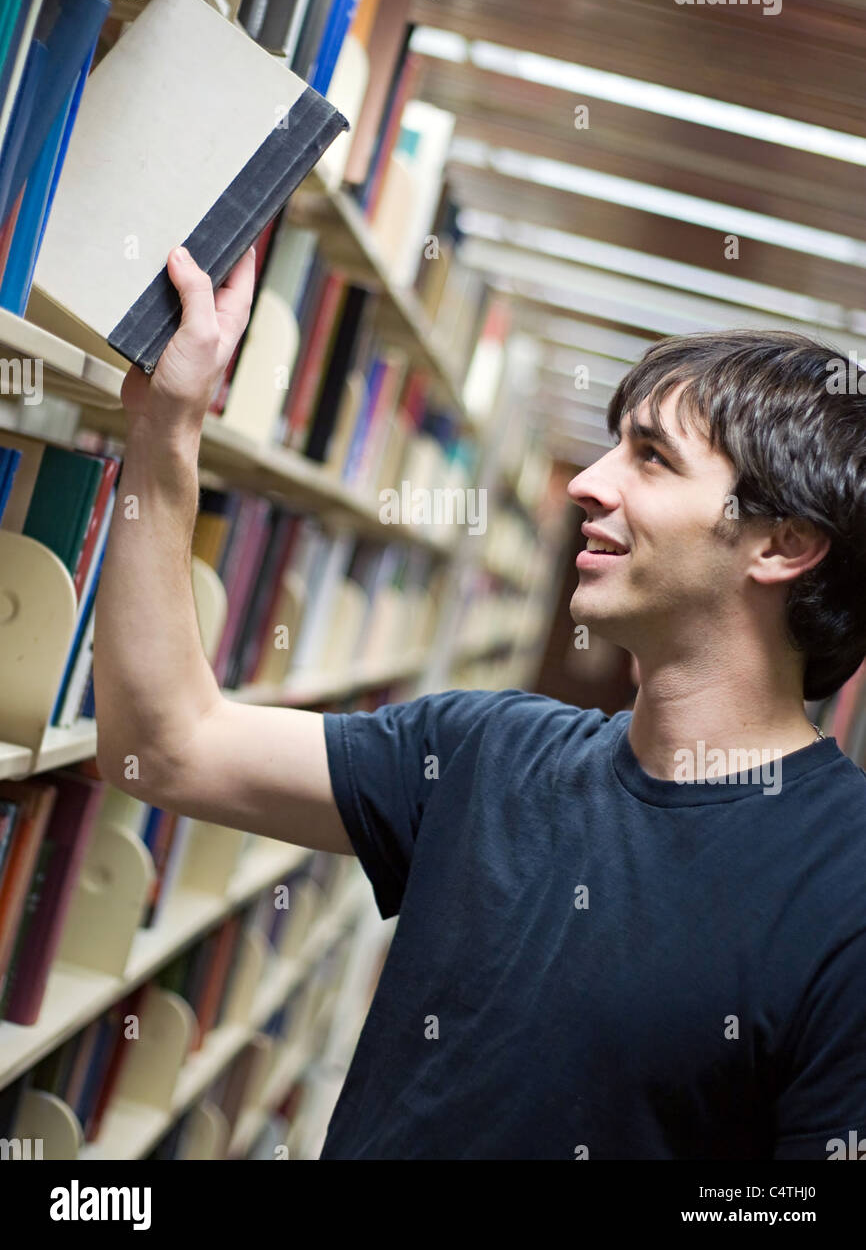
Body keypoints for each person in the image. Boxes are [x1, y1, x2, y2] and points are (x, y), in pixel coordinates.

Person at [94, 246, 866, 1160]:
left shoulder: (844, 889)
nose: (586, 481)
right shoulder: (484, 749)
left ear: (782, 543)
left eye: (651, 458)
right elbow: (164, 743)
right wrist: (168, 429)